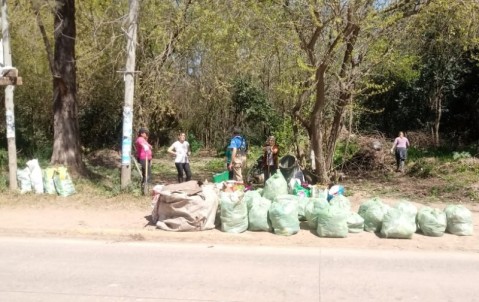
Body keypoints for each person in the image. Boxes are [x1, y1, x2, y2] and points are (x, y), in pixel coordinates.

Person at [135, 127, 153, 192]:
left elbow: (150, 146)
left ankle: (145, 187)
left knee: (146, 173)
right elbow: (143, 144)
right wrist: (146, 146)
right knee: (147, 173)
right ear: (142, 133)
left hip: (147, 158)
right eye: (145, 133)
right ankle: (145, 188)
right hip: (143, 158)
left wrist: (148, 145)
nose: (147, 134)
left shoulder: (144, 140)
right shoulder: (140, 139)